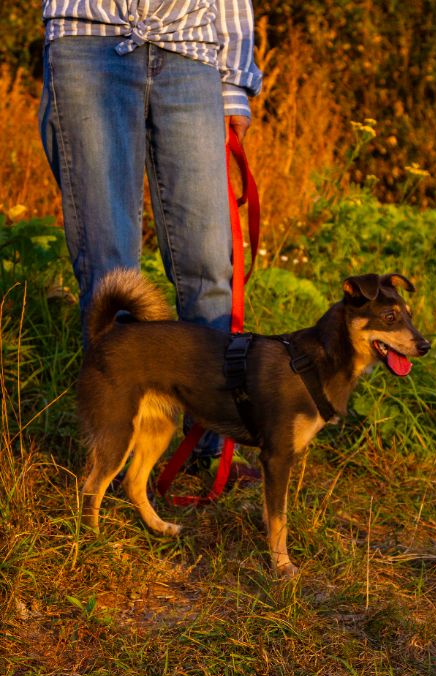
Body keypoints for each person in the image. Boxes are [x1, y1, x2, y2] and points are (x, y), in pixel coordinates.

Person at [39, 0, 262, 479]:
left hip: (190, 49)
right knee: (110, 267)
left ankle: (206, 448)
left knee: (208, 264)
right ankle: (118, 449)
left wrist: (233, 83)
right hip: (88, 41)